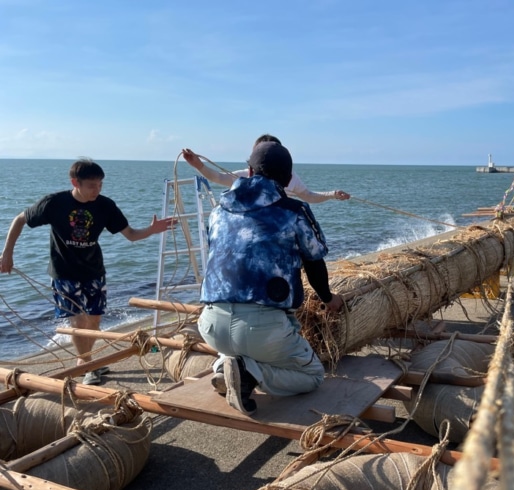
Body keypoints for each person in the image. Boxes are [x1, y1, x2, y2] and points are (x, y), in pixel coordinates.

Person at [197, 141, 344, 415]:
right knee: (312, 375)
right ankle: (248, 375)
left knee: (236, 349)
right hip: (263, 329)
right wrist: (328, 298)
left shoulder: (217, 211)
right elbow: (314, 264)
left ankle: (223, 367)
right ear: (288, 179)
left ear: (249, 172)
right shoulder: (293, 211)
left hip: (210, 325)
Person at [0, 159, 175, 384]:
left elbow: (130, 234)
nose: (97, 190)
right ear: (75, 182)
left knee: (94, 319)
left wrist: (152, 230)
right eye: (92, 185)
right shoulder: (54, 203)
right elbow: (19, 220)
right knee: (78, 320)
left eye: (100, 184)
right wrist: (7, 253)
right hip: (64, 271)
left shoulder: (105, 206)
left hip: (94, 270)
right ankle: (87, 364)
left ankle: (87, 362)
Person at [182, 134, 350, 203]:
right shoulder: (245, 177)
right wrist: (198, 165)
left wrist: (333, 194)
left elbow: (308, 195)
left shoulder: (290, 177)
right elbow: (218, 177)